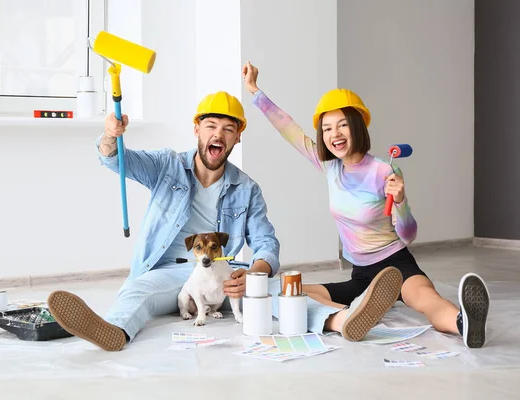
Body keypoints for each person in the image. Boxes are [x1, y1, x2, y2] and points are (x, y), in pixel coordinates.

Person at [47, 91, 404, 351]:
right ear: (197, 130)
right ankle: (113, 331)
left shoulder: (246, 188)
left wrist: (253, 273)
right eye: (211, 125)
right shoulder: (166, 165)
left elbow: (266, 244)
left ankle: (342, 321)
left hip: (221, 275)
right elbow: (114, 160)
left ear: (237, 137)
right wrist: (111, 134)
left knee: (274, 290)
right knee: (136, 290)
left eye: (228, 128)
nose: (218, 134)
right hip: (168, 272)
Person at [242, 62, 490, 349]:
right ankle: (351, 314)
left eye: (343, 125)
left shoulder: (384, 171)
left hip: (396, 264)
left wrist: (401, 201)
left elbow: (408, 235)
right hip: (361, 274)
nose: (334, 134)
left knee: (427, 300)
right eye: (327, 128)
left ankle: (464, 323)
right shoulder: (330, 167)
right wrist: (254, 90)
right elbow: (289, 129)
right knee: (289, 292)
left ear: (358, 126)